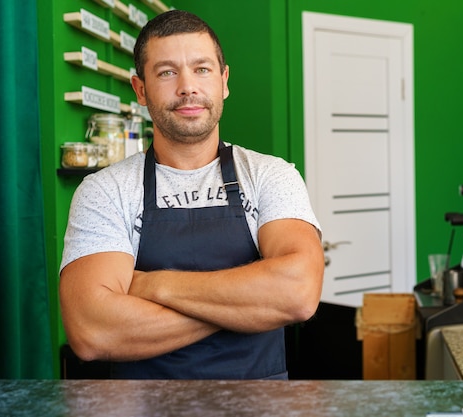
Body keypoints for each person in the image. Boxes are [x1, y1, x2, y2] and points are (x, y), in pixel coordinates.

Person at [59, 9, 324, 380]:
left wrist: (153, 284)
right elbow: (92, 330)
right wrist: (250, 304)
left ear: (223, 80)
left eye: (201, 69)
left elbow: (298, 293)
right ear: (140, 89)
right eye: (167, 72)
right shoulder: (105, 191)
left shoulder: (270, 175)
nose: (187, 87)